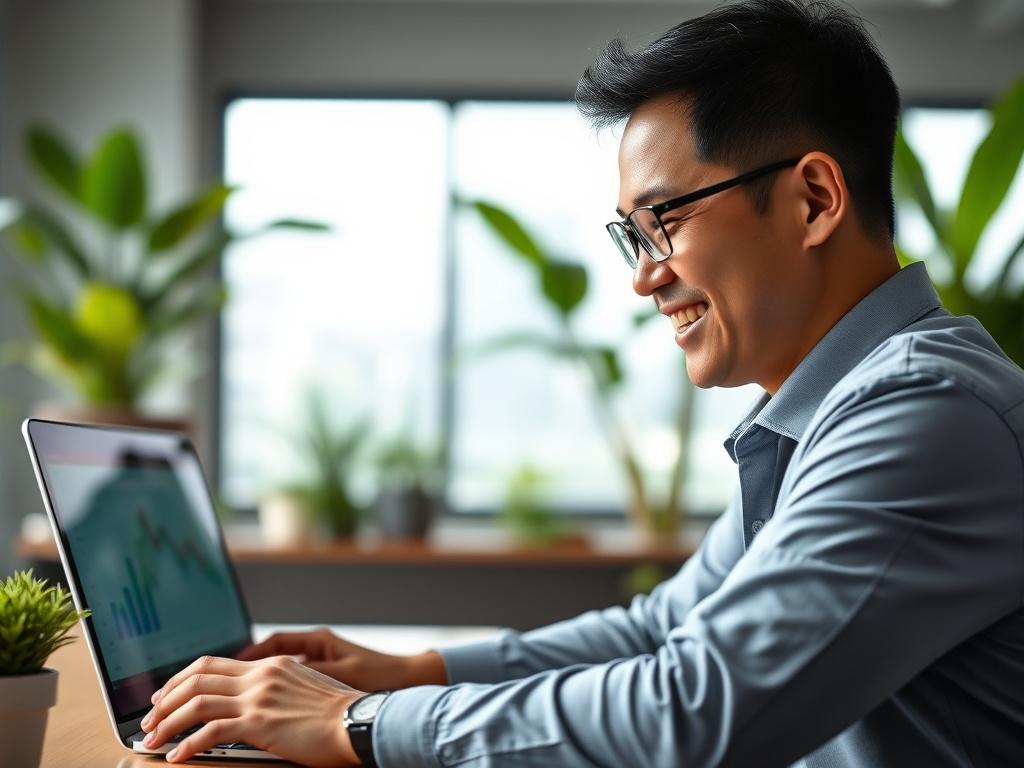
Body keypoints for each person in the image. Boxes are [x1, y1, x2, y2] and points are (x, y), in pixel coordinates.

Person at [140, 0, 1024, 765]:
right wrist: (412, 674)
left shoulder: (923, 412)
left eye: (664, 222)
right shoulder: (832, 412)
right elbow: (663, 630)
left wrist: (363, 722)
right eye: (630, 238)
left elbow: (698, 708)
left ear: (815, 200)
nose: (644, 276)